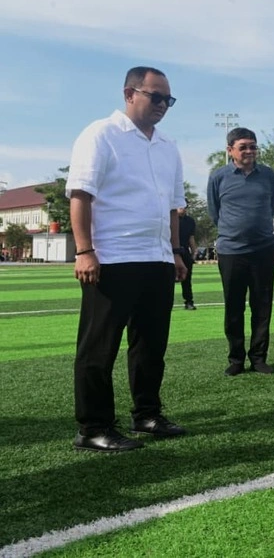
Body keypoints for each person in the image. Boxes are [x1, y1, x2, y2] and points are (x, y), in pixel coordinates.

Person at [66, 66, 188, 452]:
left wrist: (175, 252)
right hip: (113, 257)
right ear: (129, 94)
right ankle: (93, 427)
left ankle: (147, 414)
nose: (163, 104)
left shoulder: (168, 146)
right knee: (99, 347)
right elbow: (80, 195)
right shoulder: (101, 134)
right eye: (156, 96)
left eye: (169, 99)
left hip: (157, 259)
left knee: (151, 345)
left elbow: (173, 207)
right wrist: (84, 251)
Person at [207, 127, 274, 376]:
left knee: (262, 306)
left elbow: (271, 207)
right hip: (231, 252)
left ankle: (258, 358)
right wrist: (233, 233)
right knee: (234, 307)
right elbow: (214, 212)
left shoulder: (268, 175)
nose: (249, 151)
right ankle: (236, 359)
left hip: (263, 249)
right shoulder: (219, 177)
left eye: (253, 146)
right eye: (243, 147)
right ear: (230, 150)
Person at [177, 204, 198, 310]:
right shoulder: (169, 219)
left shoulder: (190, 221)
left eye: (185, 207)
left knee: (187, 279)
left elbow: (191, 237)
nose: (183, 209)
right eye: (181, 206)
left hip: (184, 251)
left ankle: (189, 301)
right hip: (170, 251)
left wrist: (194, 251)